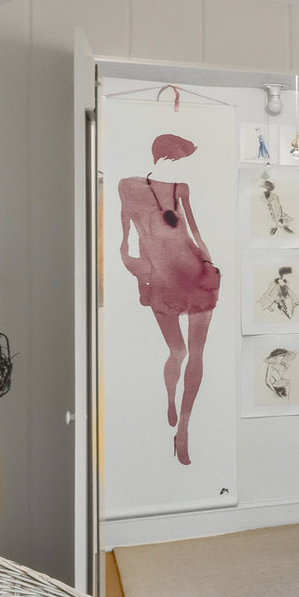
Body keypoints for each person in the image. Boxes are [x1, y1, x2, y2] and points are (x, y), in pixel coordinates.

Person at [118, 132, 220, 465]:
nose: (184, 166)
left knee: (194, 353)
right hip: (163, 276)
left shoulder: (181, 189)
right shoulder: (129, 186)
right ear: (166, 156)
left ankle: (185, 428)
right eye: (181, 158)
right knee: (178, 351)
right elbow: (125, 241)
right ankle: (171, 399)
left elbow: (195, 233)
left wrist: (209, 264)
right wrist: (140, 276)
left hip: (193, 273)